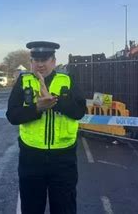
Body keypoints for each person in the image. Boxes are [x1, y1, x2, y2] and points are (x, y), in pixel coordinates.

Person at [6, 41, 86, 214]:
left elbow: (80, 111)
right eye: (36, 59)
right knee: (32, 209)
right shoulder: (23, 81)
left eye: (45, 59)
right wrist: (37, 108)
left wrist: (54, 101)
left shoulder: (67, 80)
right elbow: (12, 115)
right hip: (31, 158)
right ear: (31, 62)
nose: (40, 64)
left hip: (63, 159)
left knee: (65, 208)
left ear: (53, 61)